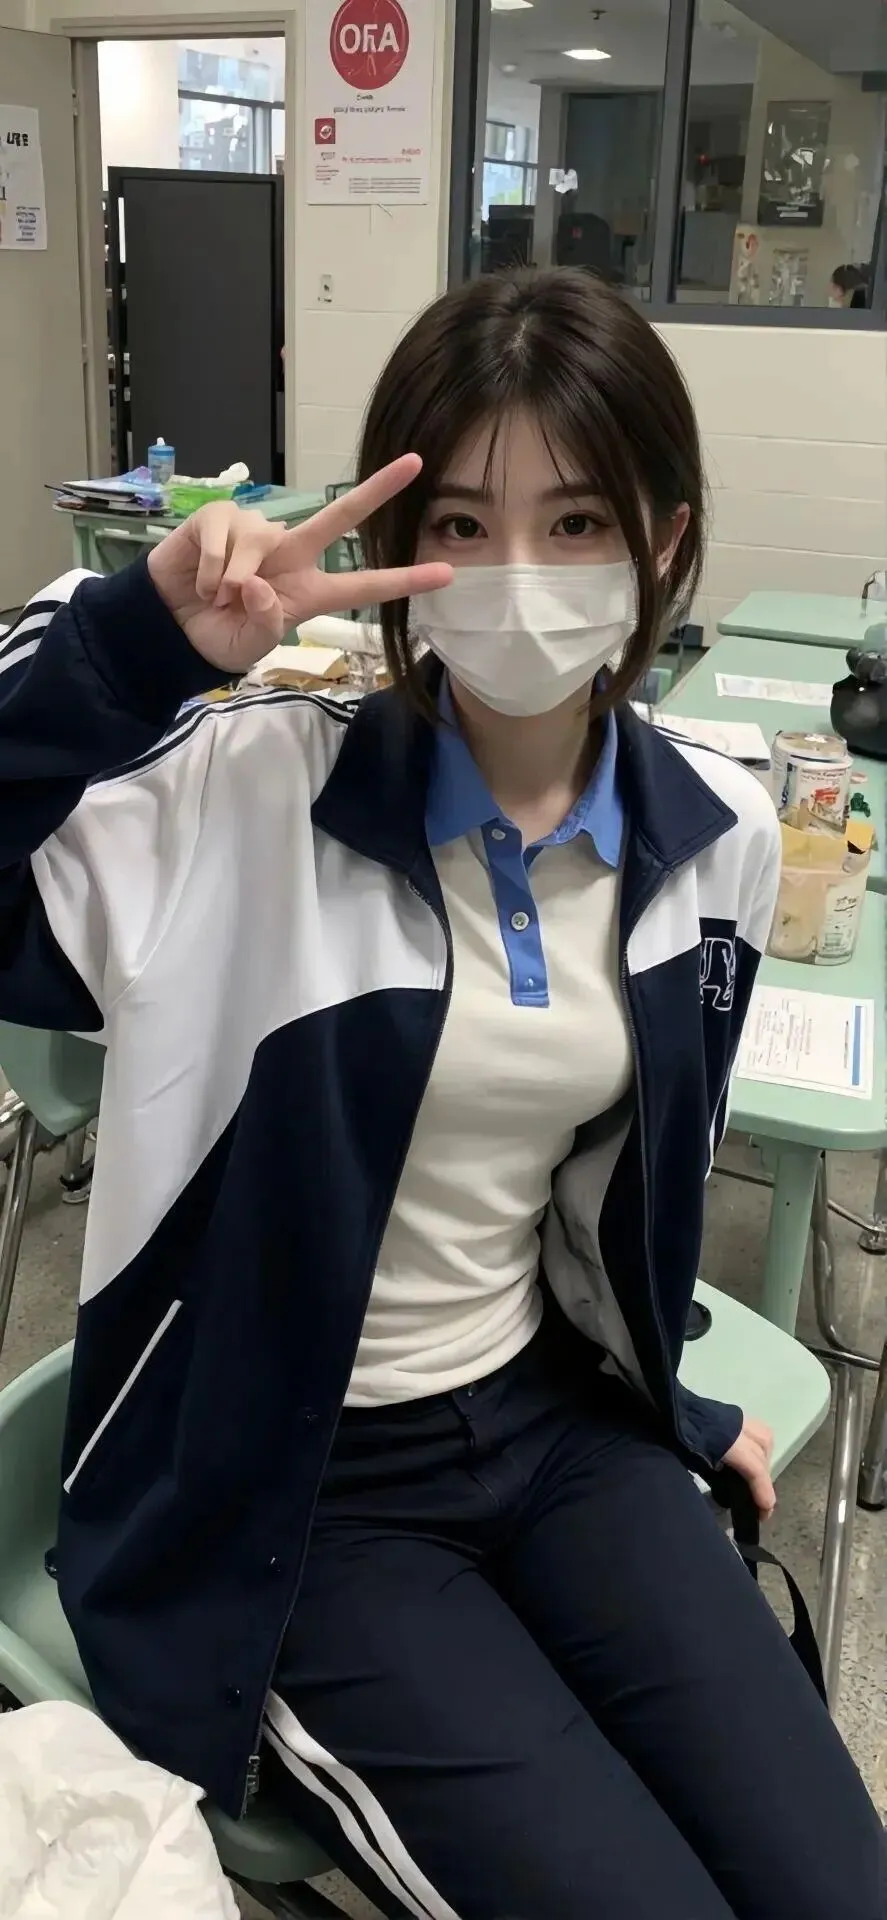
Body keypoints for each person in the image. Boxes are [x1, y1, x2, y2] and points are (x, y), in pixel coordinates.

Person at [0, 269, 883, 1919]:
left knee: (837, 1883)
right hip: (296, 1488)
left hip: (549, 1425)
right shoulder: (247, 794)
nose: (518, 579)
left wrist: (667, 1399)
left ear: (666, 545)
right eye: (462, 523)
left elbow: (615, 1200)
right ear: (396, 548)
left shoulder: (717, 835)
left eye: (575, 523)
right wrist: (130, 646)